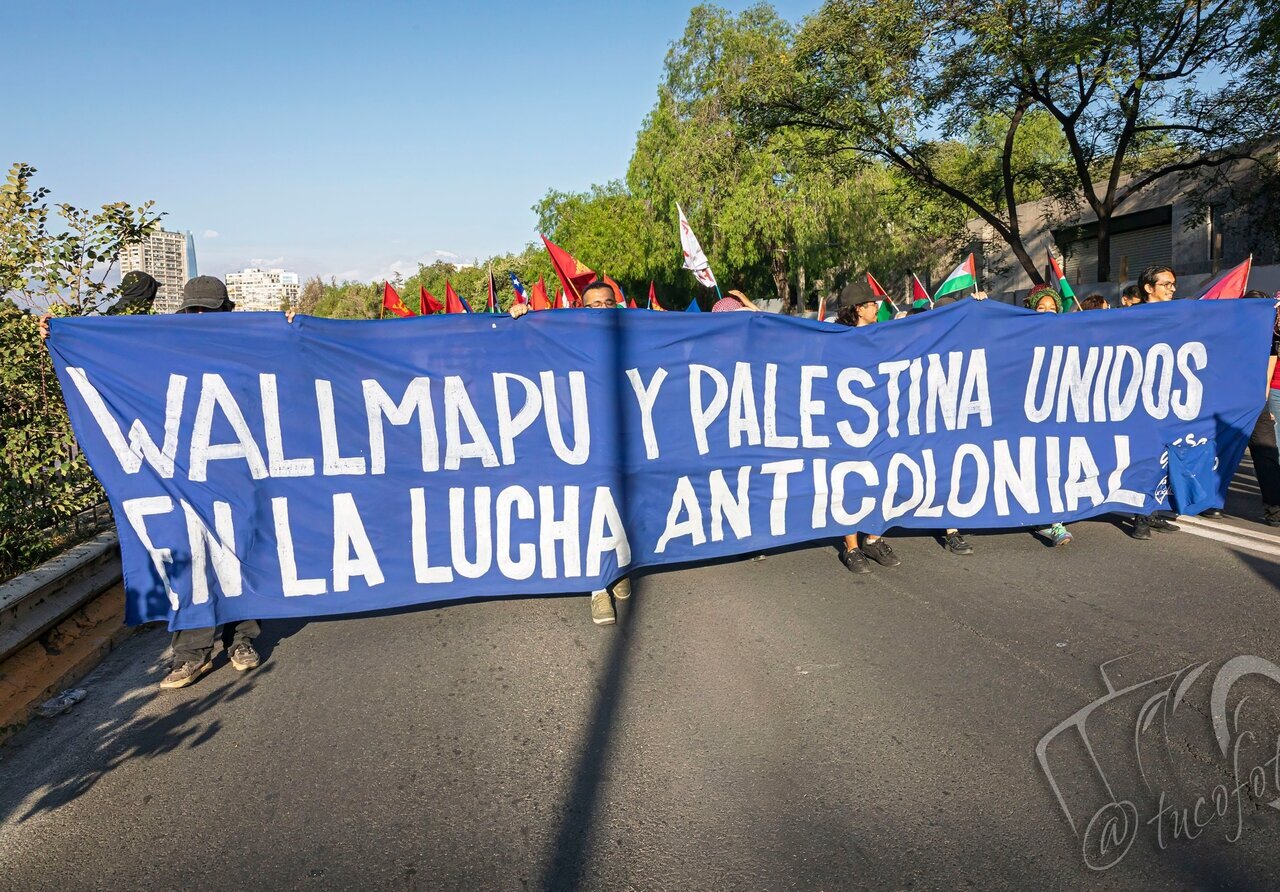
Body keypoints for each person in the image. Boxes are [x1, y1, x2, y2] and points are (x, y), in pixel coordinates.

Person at [41, 275, 281, 689]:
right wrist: (61, 334)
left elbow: (289, 370)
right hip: (181, 477)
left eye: (209, 310)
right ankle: (191, 654)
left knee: (241, 554)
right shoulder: (165, 344)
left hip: (237, 474)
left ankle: (241, 640)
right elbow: (112, 359)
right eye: (195, 310)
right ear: (184, 312)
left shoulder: (246, 344)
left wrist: (293, 328)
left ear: (226, 311)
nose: (201, 317)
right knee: (192, 561)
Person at [510, 280, 632, 625]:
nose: (602, 310)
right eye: (594, 305)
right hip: (578, 437)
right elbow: (531, 350)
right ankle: (597, 587)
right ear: (581, 309)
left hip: (621, 434)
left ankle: (618, 567)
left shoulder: (633, 332)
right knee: (588, 506)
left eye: (608, 303)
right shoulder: (567, 337)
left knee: (620, 502)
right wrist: (525, 317)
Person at [832, 288, 902, 573]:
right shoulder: (836, 339)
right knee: (851, 482)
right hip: (847, 422)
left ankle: (873, 538)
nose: (877, 309)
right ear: (858, 309)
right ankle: (851, 548)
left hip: (881, 420)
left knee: (882, 478)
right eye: (872, 304)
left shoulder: (882, 335)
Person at [1128, 266, 1184, 535]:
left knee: (1163, 455)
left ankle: (1151, 511)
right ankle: (1140, 516)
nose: (1172, 289)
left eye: (1173, 284)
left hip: (1169, 398)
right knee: (1145, 456)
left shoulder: (1178, 315)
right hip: (1139, 398)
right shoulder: (1130, 317)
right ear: (1149, 288)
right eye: (1166, 284)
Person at [1024, 285, 1074, 546]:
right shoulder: (1018, 337)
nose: (1046, 313)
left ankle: (1054, 521)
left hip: (1059, 412)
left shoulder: (1068, 337)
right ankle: (1044, 518)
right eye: (1040, 308)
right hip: (1027, 415)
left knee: (1056, 464)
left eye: (1052, 309)